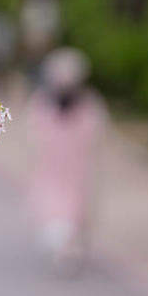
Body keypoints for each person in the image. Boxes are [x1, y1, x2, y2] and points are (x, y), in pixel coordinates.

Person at [29, 48, 108, 273]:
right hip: (53, 166)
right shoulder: (44, 103)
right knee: (56, 205)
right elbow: (36, 133)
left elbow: (95, 133)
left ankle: (71, 244)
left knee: (77, 204)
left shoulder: (88, 104)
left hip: (76, 166)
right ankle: (64, 245)